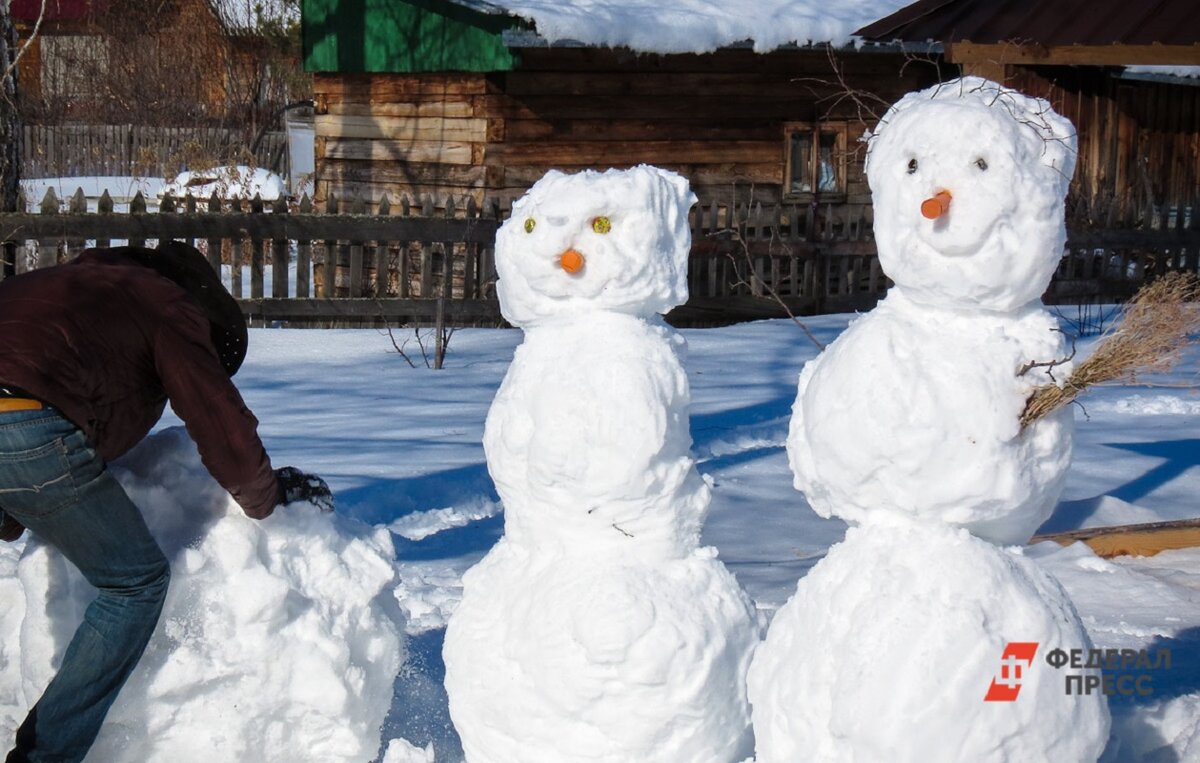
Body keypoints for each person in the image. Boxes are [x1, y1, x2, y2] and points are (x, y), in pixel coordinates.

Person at [0, 241, 332, 762]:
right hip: (23, 416)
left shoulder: (52, 286)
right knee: (134, 582)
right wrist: (268, 496)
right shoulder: (160, 300)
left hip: (18, 418)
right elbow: (216, 417)